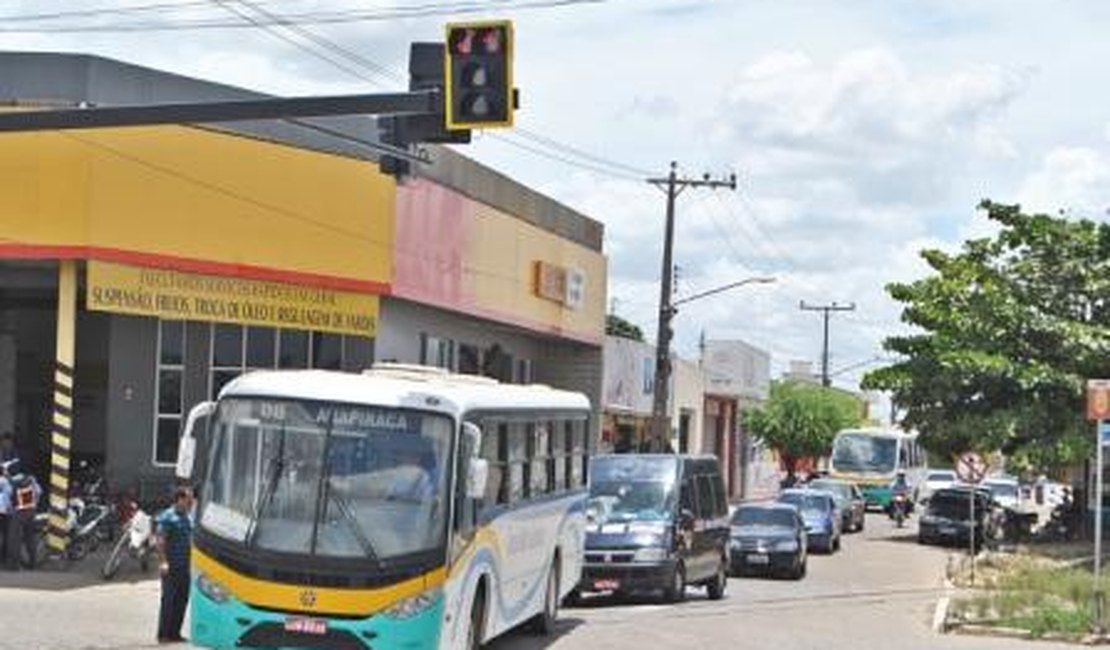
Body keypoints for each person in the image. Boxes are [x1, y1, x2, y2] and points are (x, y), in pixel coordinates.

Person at [155, 486, 194, 644]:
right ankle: (163, 634)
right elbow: (160, 541)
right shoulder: (167, 517)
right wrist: (163, 561)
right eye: (188, 500)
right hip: (171, 566)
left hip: (185, 566)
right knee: (169, 601)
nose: (191, 503)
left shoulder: (188, 516)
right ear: (179, 499)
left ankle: (175, 633)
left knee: (182, 600)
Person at [9, 470, 41, 569]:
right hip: (31, 512)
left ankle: (15, 565)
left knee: (15, 539)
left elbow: (12, 499)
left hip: (19, 512)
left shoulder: (15, 483)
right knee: (30, 538)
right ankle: (33, 564)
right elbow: (39, 494)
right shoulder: (33, 483)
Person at [0, 465, 11, 568]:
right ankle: (3, 558)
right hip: (2, 512)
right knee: (5, 535)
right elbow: (9, 494)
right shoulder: (4, 481)